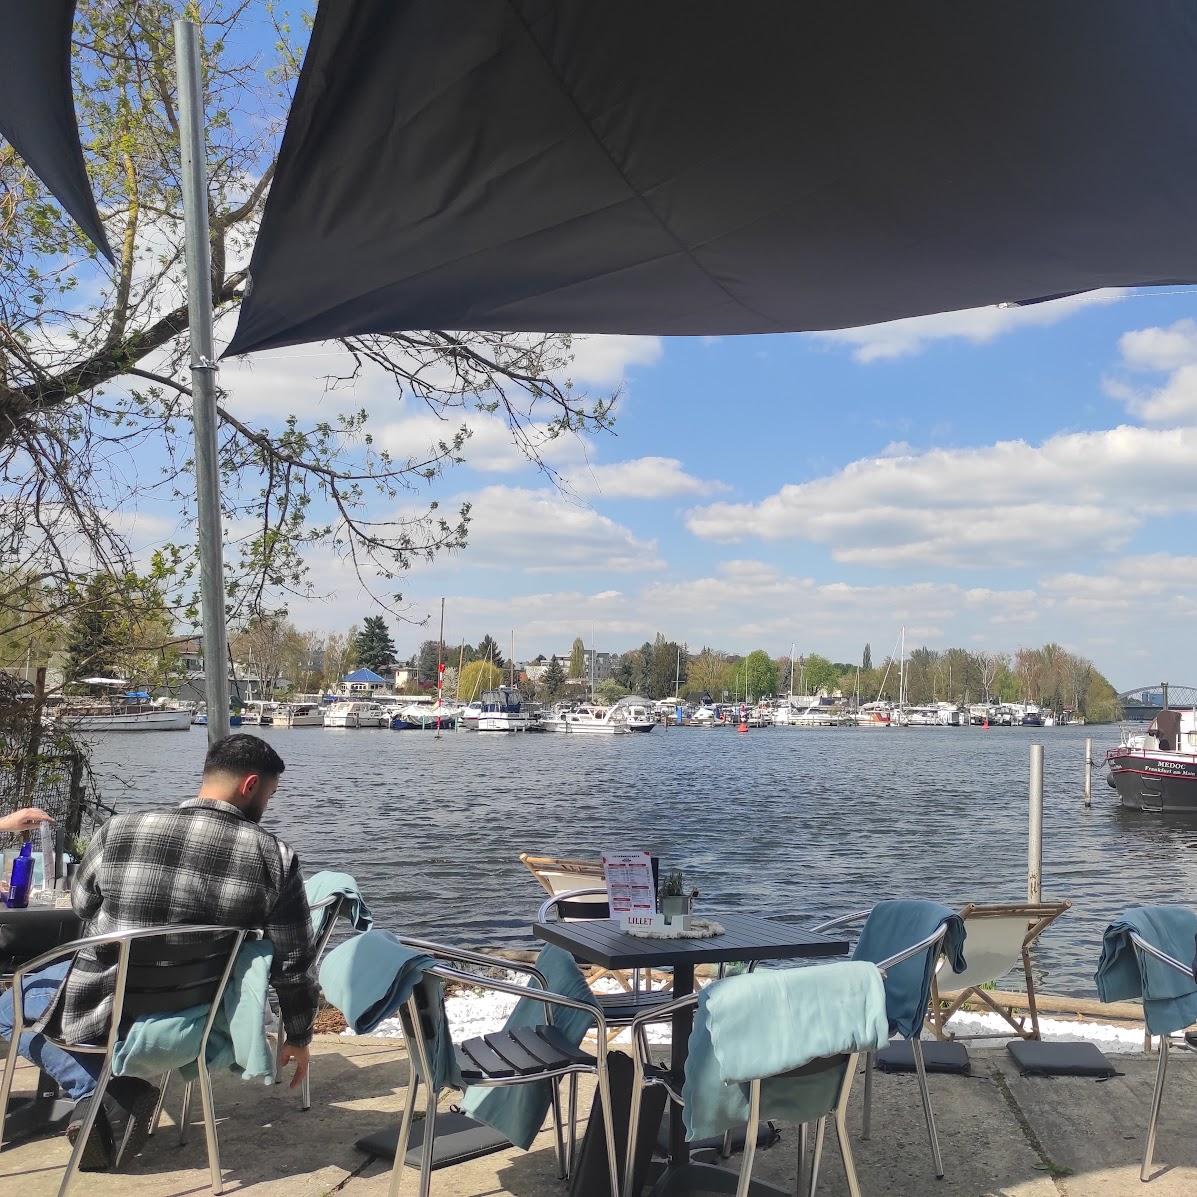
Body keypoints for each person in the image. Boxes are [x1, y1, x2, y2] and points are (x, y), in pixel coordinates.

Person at [0, 734, 318, 1170]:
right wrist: (299, 1034)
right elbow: (294, 961)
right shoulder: (275, 856)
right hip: (198, 1015)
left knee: (9, 1004)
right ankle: (111, 1090)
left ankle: (99, 1088)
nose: (268, 804)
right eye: (271, 793)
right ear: (250, 785)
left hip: (104, 1008)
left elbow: (82, 905)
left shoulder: (120, 829)